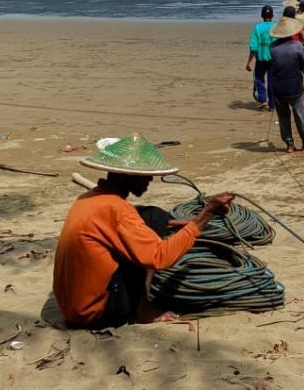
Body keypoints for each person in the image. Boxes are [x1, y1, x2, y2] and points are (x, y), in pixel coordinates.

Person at [53, 136, 235, 328]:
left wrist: (181, 223)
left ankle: (137, 301)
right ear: (125, 176)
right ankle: (142, 310)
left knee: (151, 215)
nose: (150, 179)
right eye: (143, 175)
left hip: (72, 305)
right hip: (96, 313)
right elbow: (159, 258)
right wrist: (205, 215)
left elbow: (128, 219)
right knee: (140, 250)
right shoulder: (118, 210)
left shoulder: (90, 197)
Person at [270, 15, 304, 152]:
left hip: (278, 86)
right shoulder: (297, 46)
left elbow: (273, 64)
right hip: (294, 86)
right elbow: (301, 65)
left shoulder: (272, 47)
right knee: (300, 115)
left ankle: (289, 144)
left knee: (283, 117)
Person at [245, 4, 275, 111]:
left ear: (262, 15)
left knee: (258, 79)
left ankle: (262, 100)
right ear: (272, 15)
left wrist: (249, 62)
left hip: (261, 60)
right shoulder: (276, 27)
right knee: (272, 82)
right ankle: (272, 105)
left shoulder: (257, 28)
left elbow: (253, 48)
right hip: (274, 60)